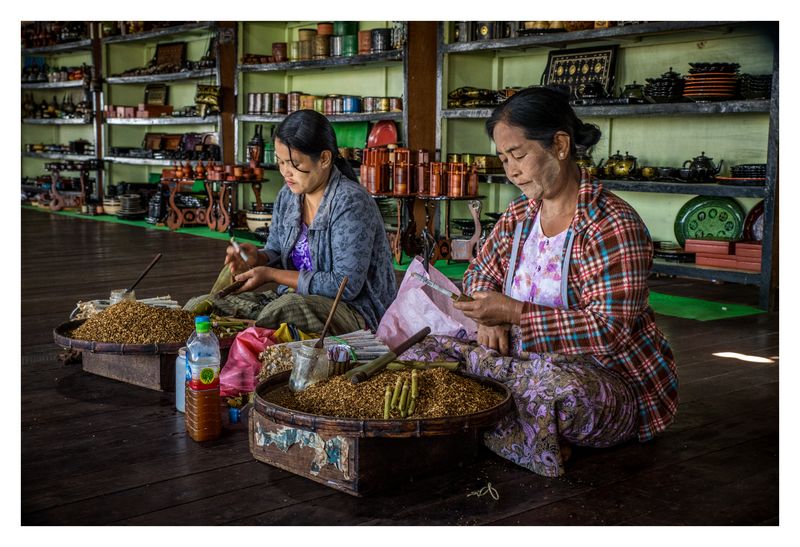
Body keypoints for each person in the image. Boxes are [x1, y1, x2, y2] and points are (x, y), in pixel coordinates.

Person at [442, 86, 678, 477]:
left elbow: (607, 330)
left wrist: (513, 313)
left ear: (561, 145)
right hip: (521, 363)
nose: (511, 170)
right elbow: (479, 273)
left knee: (560, 396)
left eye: (519, 155)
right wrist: (488, 318)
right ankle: (520, 428)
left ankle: (499, 423)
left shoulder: (610, 224)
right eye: (503, 158)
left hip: (602, 377)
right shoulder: (519, 215)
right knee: (422, 351)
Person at [185, 109, 397, 335]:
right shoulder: (288, 196)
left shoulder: (350, 202)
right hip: (293, 299)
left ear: (324, 159)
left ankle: (246, 341)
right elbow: (277, 249)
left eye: (294, 163)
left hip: (352, 310)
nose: (286, 172)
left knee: (283, 311)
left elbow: (345, 286)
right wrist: (257, 257)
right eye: (281, 162)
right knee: (203, 307)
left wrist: (271, 275)